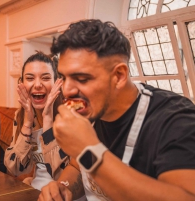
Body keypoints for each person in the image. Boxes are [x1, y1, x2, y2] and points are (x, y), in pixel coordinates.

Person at [38, 19, 195, 201]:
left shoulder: (175, 120)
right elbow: (76, 167)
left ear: (119, 76)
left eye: (81, 78)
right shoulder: (89, 109)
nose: (67, 90)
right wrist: (63, 187)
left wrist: (89, 149)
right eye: (63, 77)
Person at [4, 51, 69, 191]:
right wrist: (27, 122)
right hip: (35, 192)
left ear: (57, 82)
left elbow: (62, 175)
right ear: (21, 83)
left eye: (45, 78)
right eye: (30, 78)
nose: (38, 84)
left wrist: (47, 120)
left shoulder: (69, 115)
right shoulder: (20, 116)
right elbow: (14, 168)